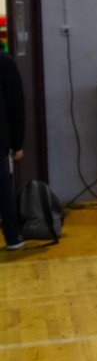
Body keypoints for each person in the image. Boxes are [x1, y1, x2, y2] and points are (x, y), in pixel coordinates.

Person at [0, 51, 26, 251]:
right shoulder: (5, 62)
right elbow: (16, 104)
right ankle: (13, 235)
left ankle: (14, 235)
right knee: (2, 186)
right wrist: (17, 144)